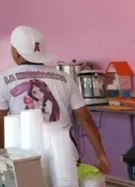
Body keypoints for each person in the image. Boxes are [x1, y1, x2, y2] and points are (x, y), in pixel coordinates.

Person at [0, 26, 110, 173]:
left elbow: (1, 125)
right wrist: (101, 154)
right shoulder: (65, 78)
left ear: (16, 53)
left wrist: (3, 160)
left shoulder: (4, 80)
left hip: (26, 162)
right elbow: (85, 118)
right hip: (65, 158)